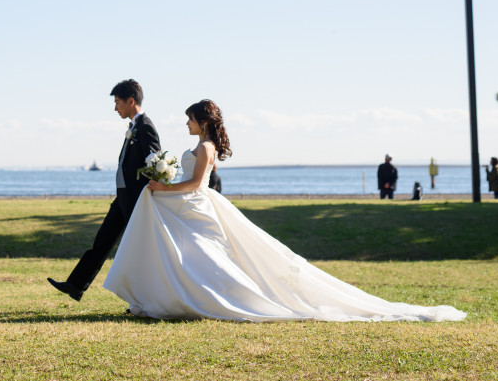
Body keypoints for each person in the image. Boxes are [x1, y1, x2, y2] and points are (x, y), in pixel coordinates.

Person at [102, 100, 466, 322]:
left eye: (189, 119)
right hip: (190, 205)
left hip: (198, 205)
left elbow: (197, 185)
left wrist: (164, 186)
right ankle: (162, 294)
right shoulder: (200, 143)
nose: (186, 124)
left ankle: (199, 297)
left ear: (202, 121)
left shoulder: (208, 147)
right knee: (182, 247)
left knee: (202, 256)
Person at [47, 79, 160, 302]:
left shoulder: (145, 126)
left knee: (139, 251)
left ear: (130, 101)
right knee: (102, 241)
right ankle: (76, 284)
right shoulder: (134, 126)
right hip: (123, 198)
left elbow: (155, 160)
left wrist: (148, 190)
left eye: (117, 102)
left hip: (137, 200)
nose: (115, 107)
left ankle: (145, 300)